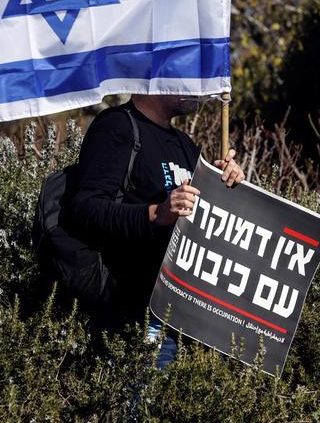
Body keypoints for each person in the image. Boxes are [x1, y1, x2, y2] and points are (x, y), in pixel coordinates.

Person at [64, 94, 245, 369]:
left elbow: (202, 222)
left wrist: (227, 184)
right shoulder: (117, 126)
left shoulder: (184, 145)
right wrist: (156, 213)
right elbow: (84, 210)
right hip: (133, 313)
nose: (196, 86)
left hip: (184, 318)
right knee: (137, 408)